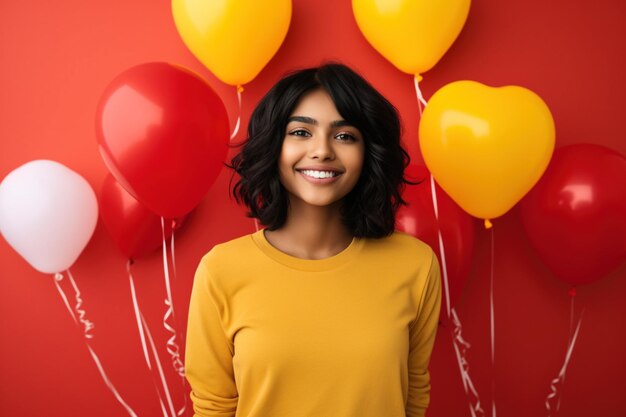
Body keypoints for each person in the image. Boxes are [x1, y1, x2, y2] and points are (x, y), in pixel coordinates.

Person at [184, 62, 442, 417]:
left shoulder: (415, 264)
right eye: (301, 133)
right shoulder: (221, 271)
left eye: (344, 136)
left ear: (369, 154)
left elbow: (412, 396)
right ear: (274, 146)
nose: (322, 151)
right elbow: (213, 407)